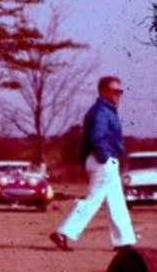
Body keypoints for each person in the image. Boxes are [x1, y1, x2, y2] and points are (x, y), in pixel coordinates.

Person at [50, 76, 136, 251]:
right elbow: (97, 138)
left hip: (104, 159)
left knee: (116, 201)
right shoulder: (101, 112)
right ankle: (63, 232)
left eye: (120, 91)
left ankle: (124, 240)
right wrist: (106, 157)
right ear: (103, 91)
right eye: (114, 91)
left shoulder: (106, 110)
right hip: (102, 160)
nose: (118, 94)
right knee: (93, 200)